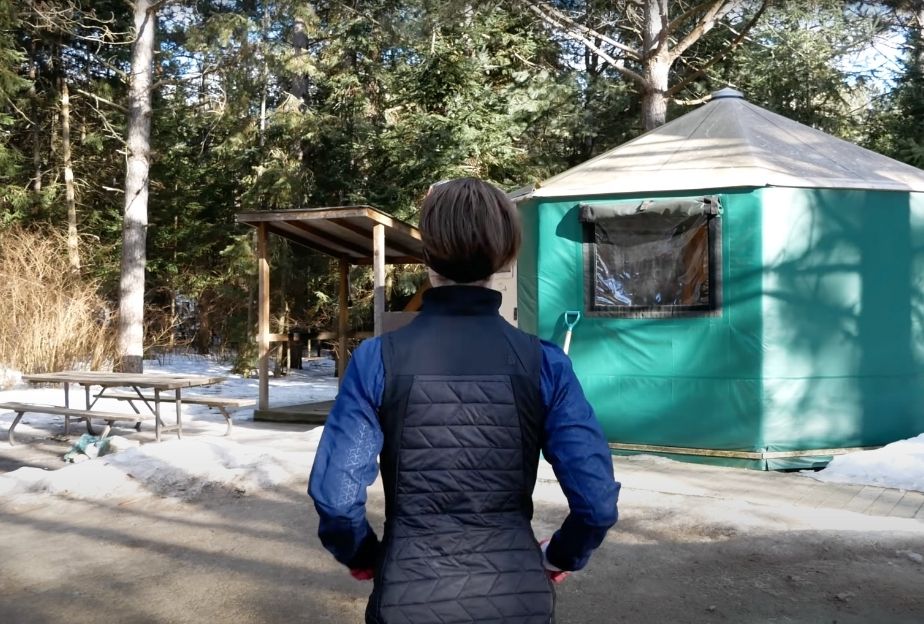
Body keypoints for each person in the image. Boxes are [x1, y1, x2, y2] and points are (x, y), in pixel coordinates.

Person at [308, 177, 620, 623]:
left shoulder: (378, 360)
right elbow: (597, 505)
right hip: (519, 601)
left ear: (427, 254)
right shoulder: (545, 364)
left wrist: (367, 557)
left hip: (406, 602)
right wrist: (560, 557)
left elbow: (337, 500)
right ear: (507, 255)